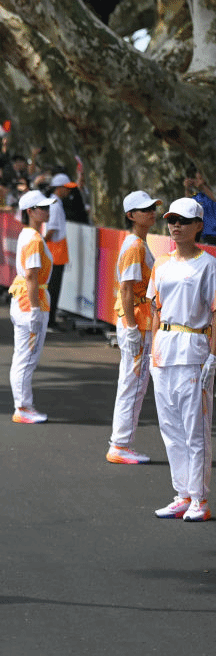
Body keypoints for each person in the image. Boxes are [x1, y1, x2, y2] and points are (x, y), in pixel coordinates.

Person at [148, 197, 214, 522]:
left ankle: (200, 499)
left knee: (195, 430)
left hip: (193, 350)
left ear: (198, 226)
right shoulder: (161, 263)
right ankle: (182, 493)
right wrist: (150, 348)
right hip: (163, 349)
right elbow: (153, 308)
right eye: (172, 220)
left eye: (184, 221)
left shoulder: (208, 265)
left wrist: (213, 357)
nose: (176, 226)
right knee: (170, 427)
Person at [106, 191, 160, 464]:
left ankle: (121, 443)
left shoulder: (138, 242)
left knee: (132, 383)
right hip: (136, 320)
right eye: (144, 209)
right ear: (131, 216)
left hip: (138, 318)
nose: (151, 212)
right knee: (134, 384)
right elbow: (126, 289)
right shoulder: (134, 246)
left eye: (152, 207)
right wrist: (130, 328)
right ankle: (121, 445)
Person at [8, 190, 56, 424]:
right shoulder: (34, 239)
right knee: (27, 359)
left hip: (25, 300)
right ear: (30, 212)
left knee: (23, 357)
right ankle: (23, 407)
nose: (47, 211)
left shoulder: (29, 235)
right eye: (42, 208)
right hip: (30, 302)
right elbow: (31, 276)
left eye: (48, 207)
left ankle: (23, 405)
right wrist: (35, 310)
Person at [44, 173, 75, 329]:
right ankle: (49, 321)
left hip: (57, 249)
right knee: (53, 288)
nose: (68, 191)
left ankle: (50, 320)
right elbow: (52, 229)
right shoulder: (55, 204)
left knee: (53, 288)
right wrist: (43, 243)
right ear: (59, 188)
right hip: (55, 250)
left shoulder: (56, 203)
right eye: (66, 188)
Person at [184, 166, 216, 245]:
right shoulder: (198, 196)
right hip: (209, 236)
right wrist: (187, 189)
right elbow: (187, 207)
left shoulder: (212, 191)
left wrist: (203, 187)